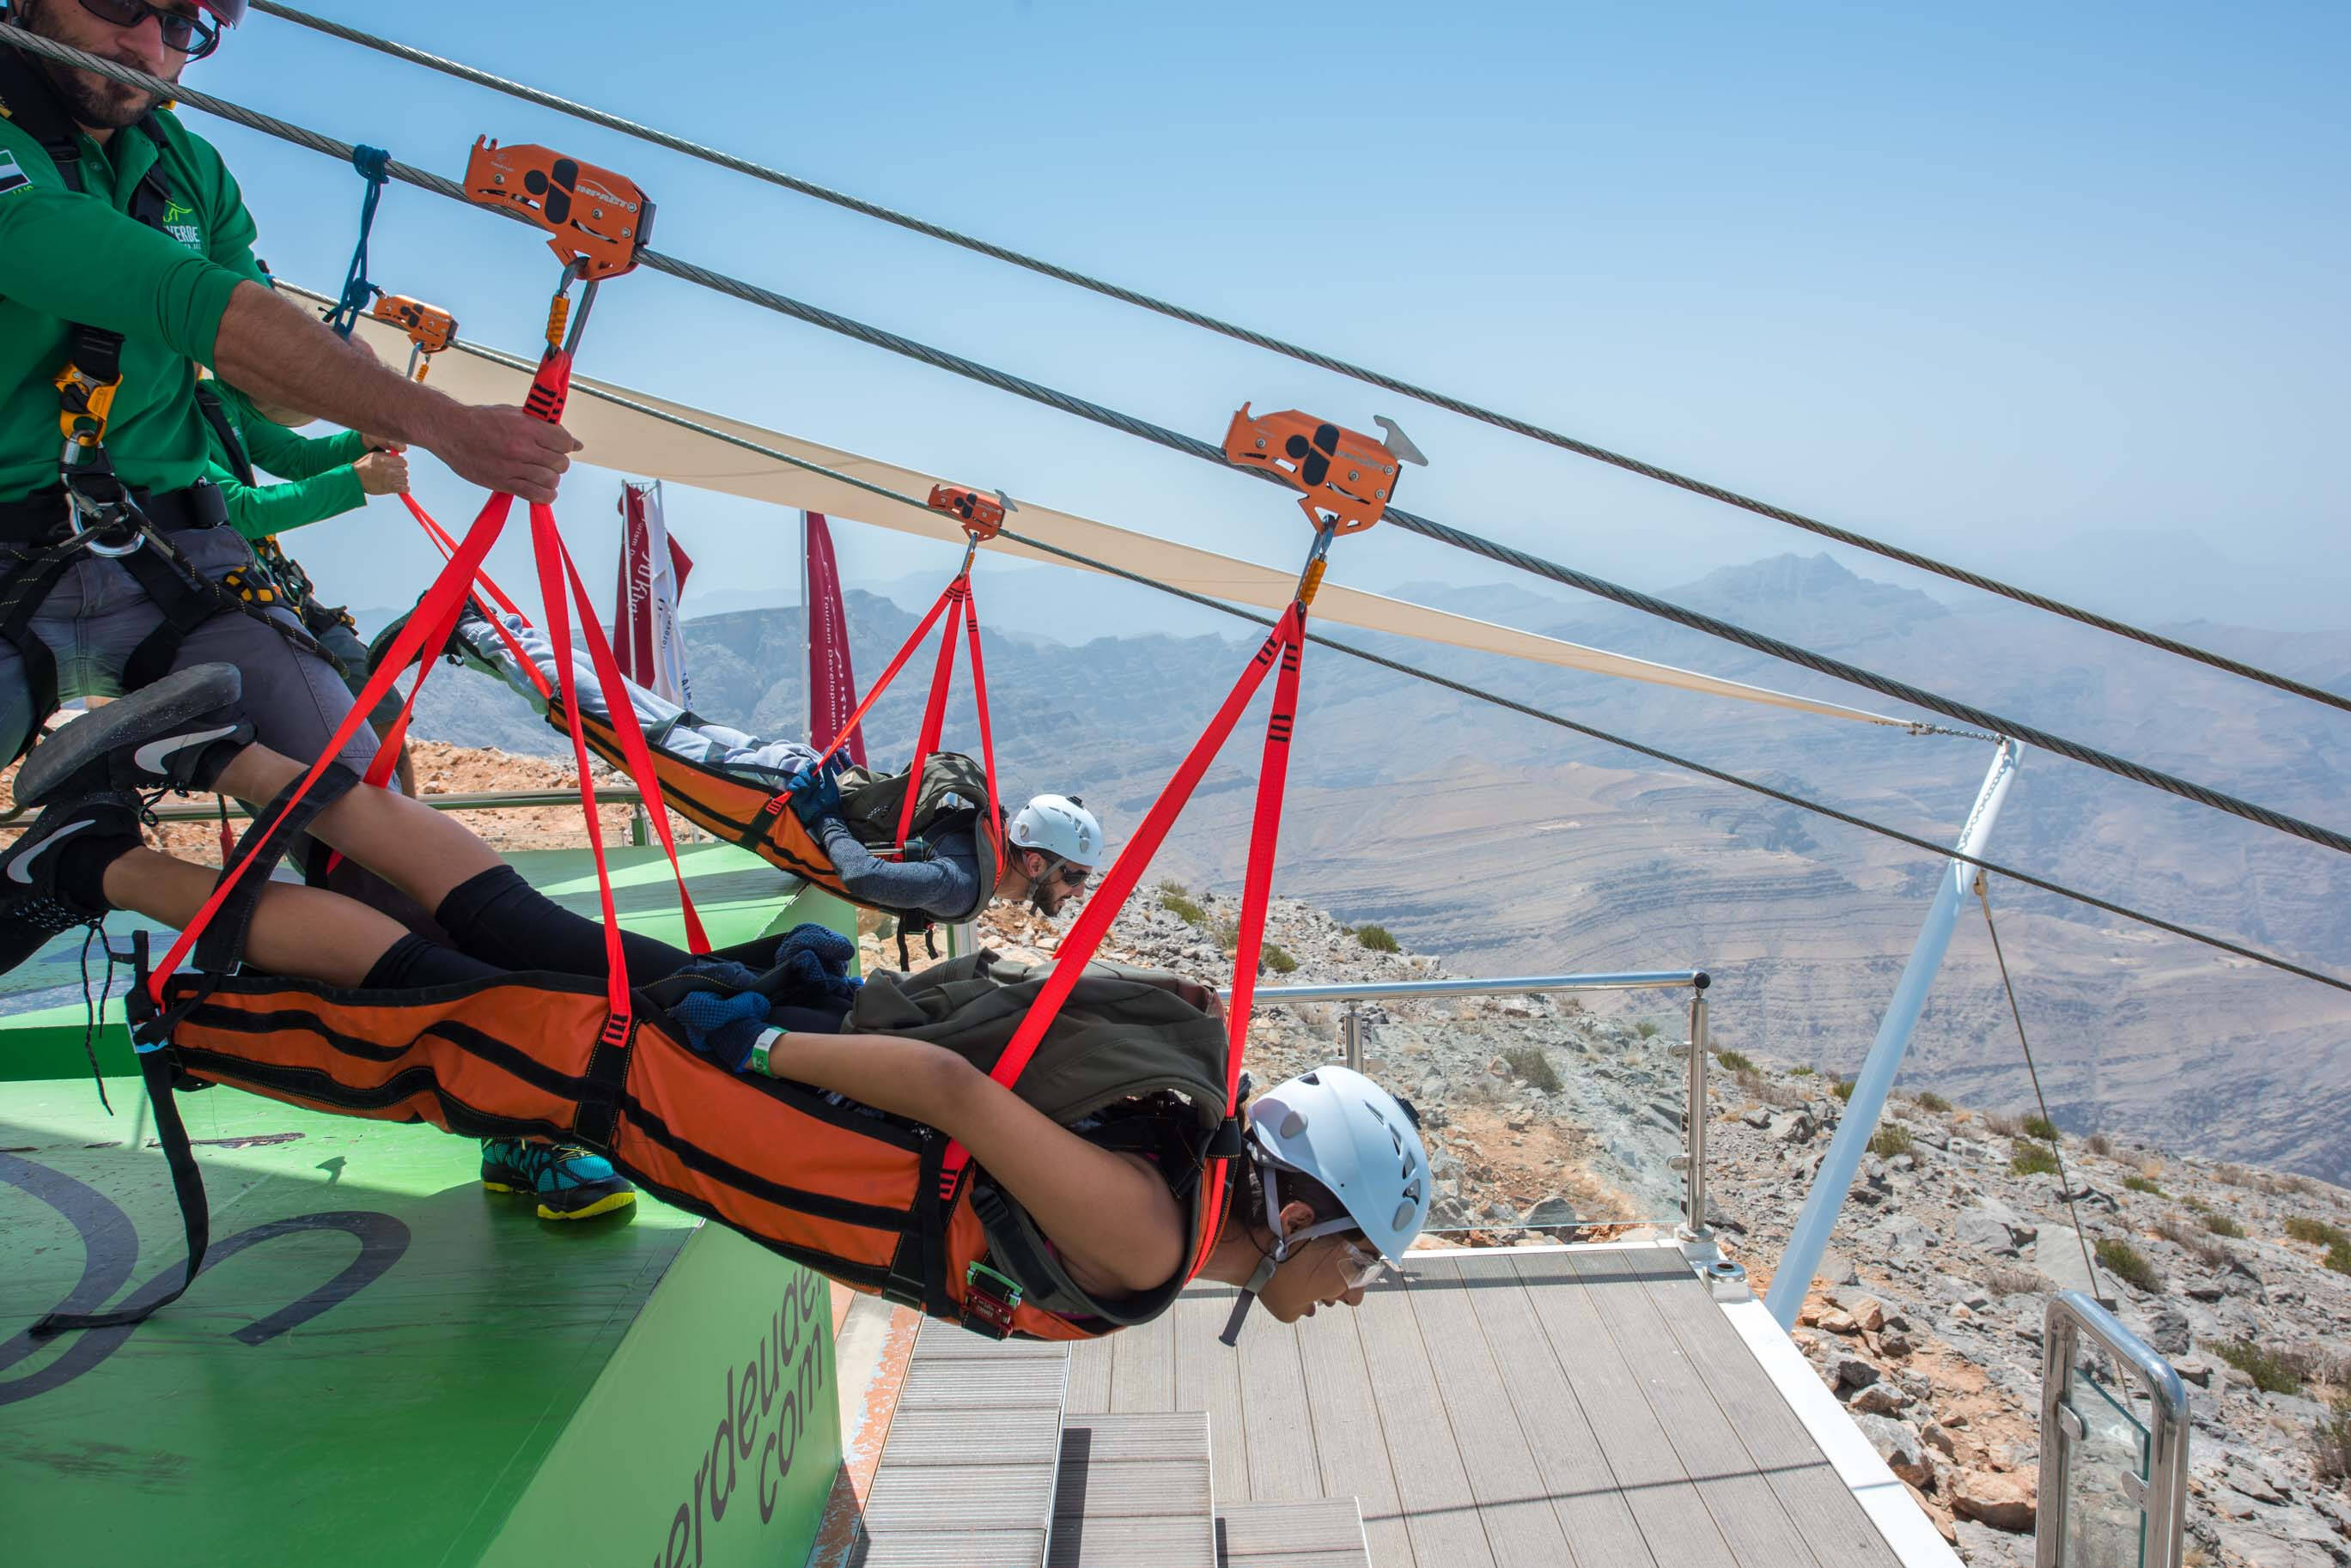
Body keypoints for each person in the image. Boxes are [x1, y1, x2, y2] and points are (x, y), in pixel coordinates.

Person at [0, 665, 1432, 1326]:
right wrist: (758, 1039)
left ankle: (227, 756)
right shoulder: (1142, 1237)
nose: (1350, 1291)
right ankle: (104, 861)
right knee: (425, 996)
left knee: (497, 915)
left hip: (788, 1033)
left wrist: (774, 1016)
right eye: (1361, 1259)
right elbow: (950, 1100)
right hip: (721, 1078)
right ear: (1297, 1209)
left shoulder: (1174, 1119)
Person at [0, 0, 582, 781]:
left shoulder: (190, 169)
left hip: (163, 546)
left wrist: (344, 381)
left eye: (182, 28)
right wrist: (425, 429)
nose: (146, 43)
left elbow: (273, 415)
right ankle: (89, 859)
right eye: (117, 2)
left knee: (350, 776)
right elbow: (187, 299)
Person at [409, 600, 1104, 923]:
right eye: (1073, 875)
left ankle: (498, 632)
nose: (1075, 889)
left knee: (641, 719)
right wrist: (821, 817)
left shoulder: (971, 844)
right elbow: (859, 871)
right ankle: (475, 628)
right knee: (619, 729)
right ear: (1036, 861)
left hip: (785, 780)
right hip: (775, 796)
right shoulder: (958, 881)